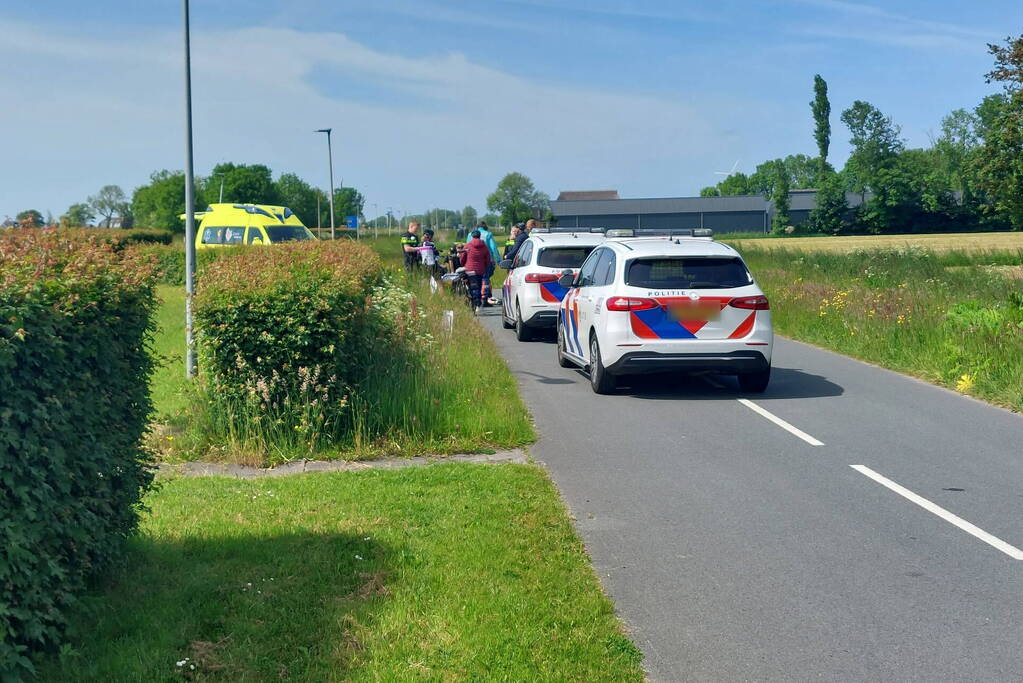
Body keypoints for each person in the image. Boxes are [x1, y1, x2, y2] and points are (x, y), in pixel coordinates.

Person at [459, 229, 493, 313]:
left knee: (472, 286)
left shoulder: (467, 245)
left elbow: (463, 257)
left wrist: (463, 264)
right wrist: (485, 267)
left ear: (472, 236)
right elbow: (488, 259)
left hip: (469, 269)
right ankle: (477, 303)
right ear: (479, 236)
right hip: (480, 270)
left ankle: (474, 302)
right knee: (478, 285)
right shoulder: (484, 246)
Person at [473, 221, 501, 305]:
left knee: (475, 280)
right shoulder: (488, 234)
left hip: (473, 261)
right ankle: (485, 298)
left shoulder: (470, 235)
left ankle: (476, 298)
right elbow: (493, 248)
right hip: (486, 260)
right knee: (485, 279)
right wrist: (498, 260)